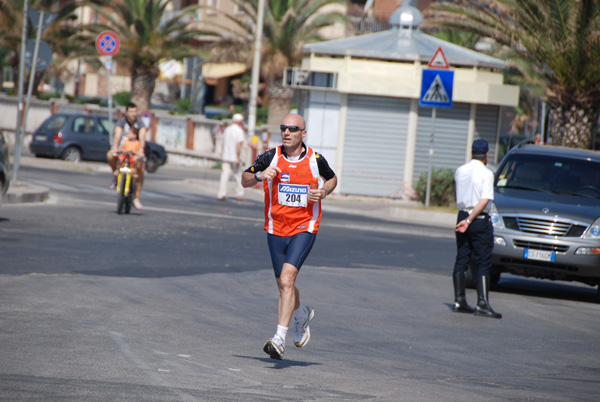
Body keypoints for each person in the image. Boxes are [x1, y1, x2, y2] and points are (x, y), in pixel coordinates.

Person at [241, 113, 338, 360]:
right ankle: (300, 315)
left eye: (293, 129)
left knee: (287, 279)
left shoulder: (315, 159)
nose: (286, 132)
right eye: (284, 128)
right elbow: (244, 179)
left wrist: (324, 191)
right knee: (284, 285)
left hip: (304, 227)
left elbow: (332, 178)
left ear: (302, 133)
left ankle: (279, 339)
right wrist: (260, 176)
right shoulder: (270, 156)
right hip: (275, 229)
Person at [452, 139, 502, 319]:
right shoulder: (487, 173)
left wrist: (464, 219)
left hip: (461, 215)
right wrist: (471, 219)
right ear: (487, 155)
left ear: (472, 153)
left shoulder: (460, 170)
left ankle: (459, 301)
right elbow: (484, 200)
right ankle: (482, 303)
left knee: (462, 257)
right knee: (483, 261)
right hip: (478, 219)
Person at [107, 102, 148, 210]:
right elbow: (117, 135)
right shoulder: (121, 123)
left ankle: (136, 197)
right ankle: (116, 176)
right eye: (131, 111)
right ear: (126, 112)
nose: (134, 114)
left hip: (135, 151)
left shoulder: (140, 124)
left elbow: (142, 136)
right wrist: (115, 147)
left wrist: (141, 149)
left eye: (135, 111)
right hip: (123, 150)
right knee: (110, 156)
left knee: (141, 168)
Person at [218, 113, 245, 201]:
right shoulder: (239, 131)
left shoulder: (227, 129)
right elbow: (238, 145)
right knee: (238, 176)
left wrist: (221, 152)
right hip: (234, 157)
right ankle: (239, 194)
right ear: (240, 122)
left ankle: (221, 194)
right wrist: (238, 157)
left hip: (226, 156)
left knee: (224, 175)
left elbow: (223, 142)